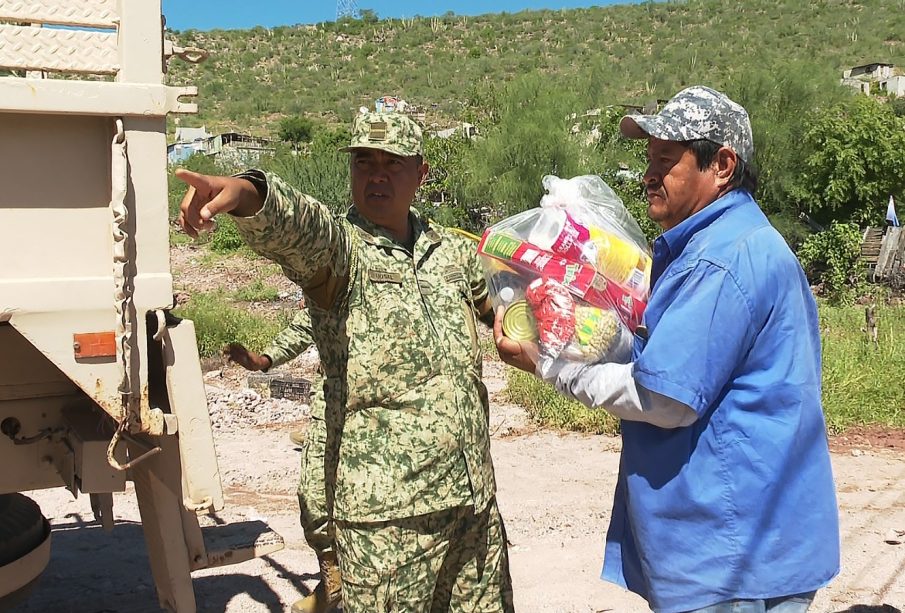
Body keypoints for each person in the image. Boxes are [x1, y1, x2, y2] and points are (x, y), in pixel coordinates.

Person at [494, 86, 840, 612]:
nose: (649, 174)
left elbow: (664, 399)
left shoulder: (719, 260)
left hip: (731, 558)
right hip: (748, 544)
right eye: (648, 159)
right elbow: (676, 365)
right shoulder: (724, 243)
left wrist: (548, 365)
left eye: (666, 159)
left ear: (722, 165)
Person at [178, 110, 514, 612]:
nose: (377, 174)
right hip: (389, 518)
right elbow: (301, 227)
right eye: (364, 161)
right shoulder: (342, 252)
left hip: (473, 501)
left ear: (421, 173)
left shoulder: (450, 253)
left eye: (392, 162)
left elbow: (505, 304)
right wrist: (249, 194)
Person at [225, 307, 341, 613]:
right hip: (332, 412)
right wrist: (262, 360)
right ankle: (333, 583)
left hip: (390, 418)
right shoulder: (342, 271)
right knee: (315, 500)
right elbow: (309, 323)